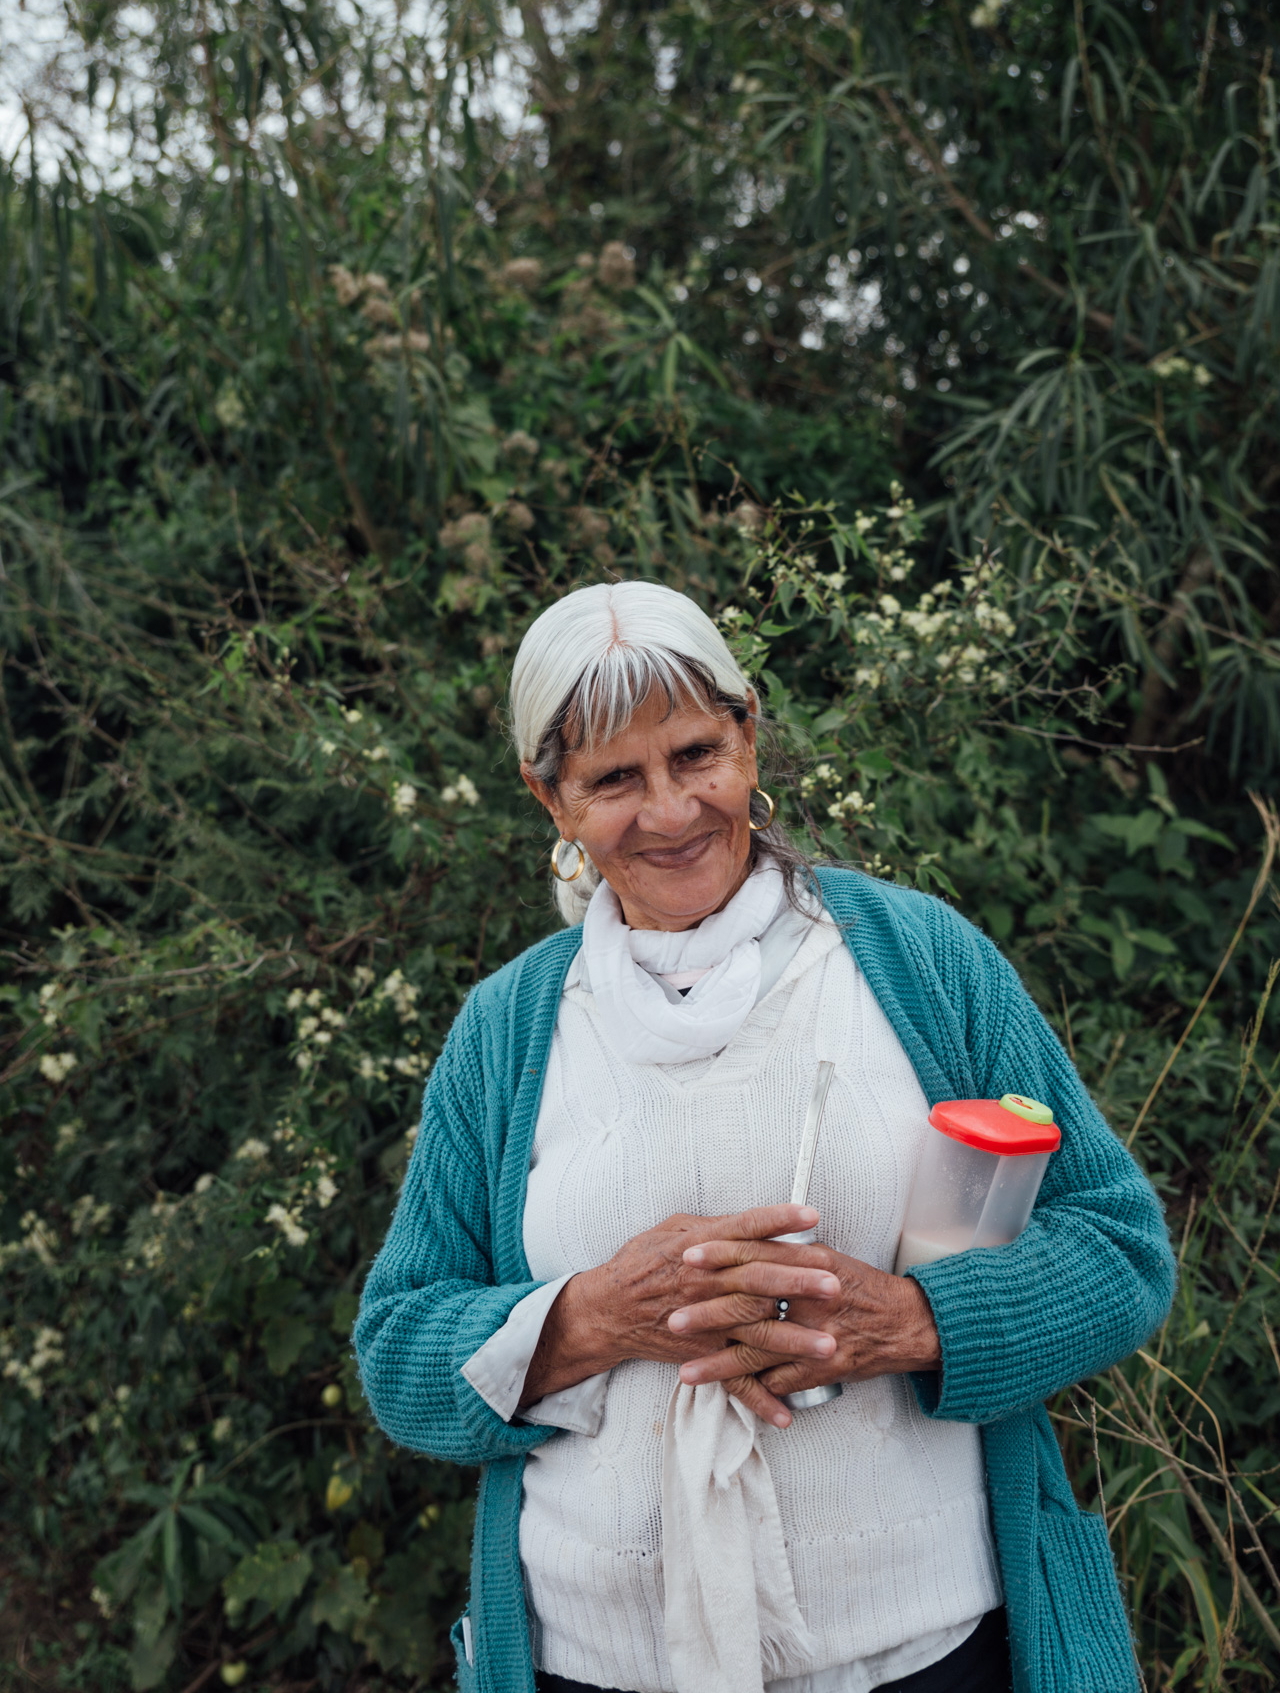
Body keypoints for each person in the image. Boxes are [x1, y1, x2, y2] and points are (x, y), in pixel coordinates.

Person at [354, 580, 1175, 1693]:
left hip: (931, 1653)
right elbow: (400, 1350)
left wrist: (912, 1322)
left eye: (696, 754)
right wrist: (590, 1318)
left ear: (747, 734)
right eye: (613, 779)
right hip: (595, 1662)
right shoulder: (509, 1032)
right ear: (551, 799)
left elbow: (1118, 1247)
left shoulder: (917, 959)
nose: (669, 811)